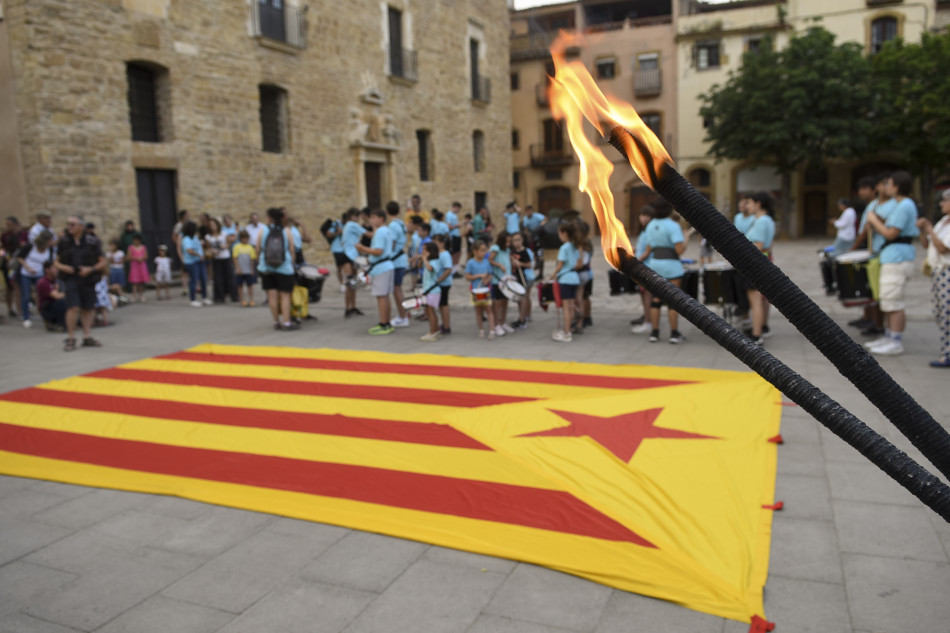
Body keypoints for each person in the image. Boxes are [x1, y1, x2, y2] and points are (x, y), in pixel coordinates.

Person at [863, 171, 918, 356]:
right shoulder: (901, 205)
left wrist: (873, 219)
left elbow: (891, 233)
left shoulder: (905, 205)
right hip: (892, 256)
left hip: (897, 257)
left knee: (894, 301)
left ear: (897, 186)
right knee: (888, 300)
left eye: (889, 184)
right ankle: (889, 335)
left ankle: (895, 340)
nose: (885, 187)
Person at [55, 215, 106, 351]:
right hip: (71, 278)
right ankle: (71, 338)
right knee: (73, 307)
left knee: (88, 308)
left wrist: (91, 269)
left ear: (81, 227)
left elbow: (102, 261)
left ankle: (86, 336)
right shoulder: (64, 241)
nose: (69, 227)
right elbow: (56, 261)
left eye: (73, 224)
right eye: (68, 224)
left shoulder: (92, 241)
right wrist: (64, 267)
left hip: (88, 279)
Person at [639, 200, 686, 344]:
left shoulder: (650, 226)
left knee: (656, 299)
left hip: (655, 264)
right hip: (671, 265)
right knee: (673, 300)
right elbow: (679, 250)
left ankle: (655, 332)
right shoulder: (673, 226)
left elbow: (648, 250)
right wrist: (686, 241)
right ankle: (674, 333)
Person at [738, 192, 777, 345]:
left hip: (755, 264)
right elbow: (769, 246)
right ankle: (759, 328)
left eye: (750, 202)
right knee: (761, 300)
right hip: (763, 261)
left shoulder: (761, 221)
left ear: (758, 204)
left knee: (755, 302)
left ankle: (756, 335)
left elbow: (758, 246)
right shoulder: (767, 220)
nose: (748, 206)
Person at [917, 189, 950, 367]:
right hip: (938, 271)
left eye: (945, 200)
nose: (941, 204)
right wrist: (924, 231)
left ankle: (947, 355)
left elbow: (943, 248)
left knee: (947, 314)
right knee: (939, 312)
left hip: (948, 271)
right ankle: (946, 351)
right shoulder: (943, 222)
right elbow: (928, 244)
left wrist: (929, 228)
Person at [256, 207, 298, 330]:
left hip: (267, 268)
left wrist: (260, 262)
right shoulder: (286, 231)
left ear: (270, 218)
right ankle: (286, 322)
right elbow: (292, 250)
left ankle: (276, 321)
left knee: (272, 296)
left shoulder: (262, 230)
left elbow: (258, 249)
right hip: (284, 268)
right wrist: (292, 264)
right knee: (285, 296)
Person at [356, 209, 394, 335]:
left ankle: (384, 324)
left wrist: (362, 248)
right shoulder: (386, 230)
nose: (371, 220)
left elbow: (378, 251)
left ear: (381, 219)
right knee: (384, 296)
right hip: (386, 265)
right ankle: (386, 322)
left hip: (381, 267)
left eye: (373, 217)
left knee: (381, 296)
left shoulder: (380, 232)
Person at [548, 220, 582, 343]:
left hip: (566, 279)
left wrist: (552, 276)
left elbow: (560, 265)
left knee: (566, 308)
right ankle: (570, 329)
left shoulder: (564, 247)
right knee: (571, 306)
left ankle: (567, 333)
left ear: (564, 233)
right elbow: (578, 263)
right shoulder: (574, 245)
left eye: (559, 234)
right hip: (574, 278)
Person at [16, 230, 54, 328]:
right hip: (26, 274)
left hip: (39, 274)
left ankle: (45, 315)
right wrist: (28, 268)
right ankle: (26, 318)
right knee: (26, 296)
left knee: (42, 296)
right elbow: (20, 257)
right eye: (50, 240)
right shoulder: (30, 246)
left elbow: (49, 263)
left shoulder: (49, 250)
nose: (51, 242)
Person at [464, 238, 496, 339]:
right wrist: (478, 276)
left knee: (489, 309)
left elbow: (490, 274)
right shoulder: (470, 263)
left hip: (486, 289)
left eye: (485, 250)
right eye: (482, 250)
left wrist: (488, 279)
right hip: (475, 290)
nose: (484, 252)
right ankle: (481, 330)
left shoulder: (486, 262)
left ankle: (492, 330)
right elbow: (467, 277)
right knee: (478, 311)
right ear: (475, 251)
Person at [632, 204, 656, 334]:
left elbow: (648, 250)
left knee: (647, 296)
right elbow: (641, 247)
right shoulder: (643, 231)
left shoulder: (650, 231)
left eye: (648, 216)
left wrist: (636, 262)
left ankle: (648, 322)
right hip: (642, 267)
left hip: (647, 267)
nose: (645, 218)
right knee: (644, 295)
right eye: (642, 215)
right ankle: (647, 319)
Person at [386, 201, 410, 328]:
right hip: (401, 259)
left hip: (396, 260)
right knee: (398, 288)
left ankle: (403, 317)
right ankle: (404, 313)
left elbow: (392, 244)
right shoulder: (401, 223)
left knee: (396, 290)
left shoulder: (392, 226)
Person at [340, 207, 366, 318]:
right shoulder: (352, 224)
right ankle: (348, 308)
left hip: (352, 255)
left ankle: (353, 307)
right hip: (348, 255)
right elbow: (367, 233)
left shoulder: (348, 225)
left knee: (353, 283)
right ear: (351, 216)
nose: (358, 218)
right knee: (349, 282)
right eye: (356, 215)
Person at [180, 221, 211, 307]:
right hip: (191, 262)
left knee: (203, 279)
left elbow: (199, 247)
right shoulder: (186, 239)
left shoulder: (195, 237)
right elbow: (188, 250)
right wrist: (198, 255)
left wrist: (203, 255)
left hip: (199, 261)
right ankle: (193, 299)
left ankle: (204, 297)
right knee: (194, 280)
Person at [419, 242, 445, 342]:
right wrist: (422, 259)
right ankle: (435, 331)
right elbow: (420, 266)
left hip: (432, 290)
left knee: (431, 311)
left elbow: (431, 269)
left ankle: (432, 332)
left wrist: (425, 259)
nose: (423, 251)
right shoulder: (429, 261)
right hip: (428, 290)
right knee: (430, 311)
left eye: (425, 249)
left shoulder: (434, 262)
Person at [488, 230, 512, 337]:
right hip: (498, 280)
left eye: (509, 242)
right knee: (498, 302)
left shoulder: (507, 250)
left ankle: (503, 322)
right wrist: (499, 265)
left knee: (505, 301)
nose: (508, 244)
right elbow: (490, 260)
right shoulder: (495, 248)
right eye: (506, 242)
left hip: (507, 278)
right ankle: (496, 324)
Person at [509, 231, 534, 330]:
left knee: (524, 298)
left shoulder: (524, 252)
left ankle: (523, 319)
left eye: (519, 240)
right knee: (519, 299)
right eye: (515, 240)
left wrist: (520, 264)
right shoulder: (512, 251)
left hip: (523, 277)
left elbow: (529, 265)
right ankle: (521, 317)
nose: (517, 242)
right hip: (516, 278)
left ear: (522, 240)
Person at [432, 233, 454, 334]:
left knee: (443, 304)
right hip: (440, 283)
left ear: (442, 243)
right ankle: (445, 324)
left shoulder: (444, 254)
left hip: (443, 284)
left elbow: (448, 269)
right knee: (441, 305)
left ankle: (446, 326)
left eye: (435, 243)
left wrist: (439, 280)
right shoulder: (438, 254)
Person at [36, 260, 66, 331]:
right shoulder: (43, 282)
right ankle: (59, 324)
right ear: (47, 270)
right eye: (55, 268)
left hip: (55, 306)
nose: (57, 270)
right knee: (62, 302)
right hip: (47, 309)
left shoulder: (56, 280)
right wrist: (70, 293)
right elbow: (57, 296)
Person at [232, 231, 257, 306]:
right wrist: (237, 268)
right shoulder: (237, 246)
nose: (245, 240)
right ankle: (242, 299)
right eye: (244, 239)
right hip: (240, 269)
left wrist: (252, 270)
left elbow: (252, 259)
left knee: (250, 285)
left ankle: (251, 299)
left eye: (246, 239)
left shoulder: (250, 247)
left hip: (248, 269)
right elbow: (235, 258)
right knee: (240, 285)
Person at [326, 212, 347, 292]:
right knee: (339, 267)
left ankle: (346, 282)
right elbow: (328, 234)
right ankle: (342, 284)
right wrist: (338, 232)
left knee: (346, 266)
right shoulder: (335, 224)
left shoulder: (347, 224)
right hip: (337, 248)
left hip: (345, 248)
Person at [127, 233, 149, 303]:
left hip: (141, 266)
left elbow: (146, 256)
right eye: (134, 240)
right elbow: (128, 257)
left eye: (137, 240)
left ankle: (141, 296)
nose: (135, 241)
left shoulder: (143, 247)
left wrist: (141, 258)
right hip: (134, 266)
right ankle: (133, 296)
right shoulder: (130, 247)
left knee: (140, 282)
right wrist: (137, 258)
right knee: (134, 282)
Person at [172, 209, 190, 296]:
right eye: (186, 215)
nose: (188, 216)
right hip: (184, 249)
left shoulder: (189, 225)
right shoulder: (179, 225)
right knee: (184, 269)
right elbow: (174, 236)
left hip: (190, 248)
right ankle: (184, 288)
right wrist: (180, 244)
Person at [446, 201, 462, 273]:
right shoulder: (449, 214)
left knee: (458, 253)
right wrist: (457, 226)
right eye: (458, 209)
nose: (458, 211)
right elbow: (449, 226)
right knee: (453, 253)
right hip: (452, 236)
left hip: (456, 236)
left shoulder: (455, 215)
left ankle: (455, 270)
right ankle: (451, 271)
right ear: (455, 207)